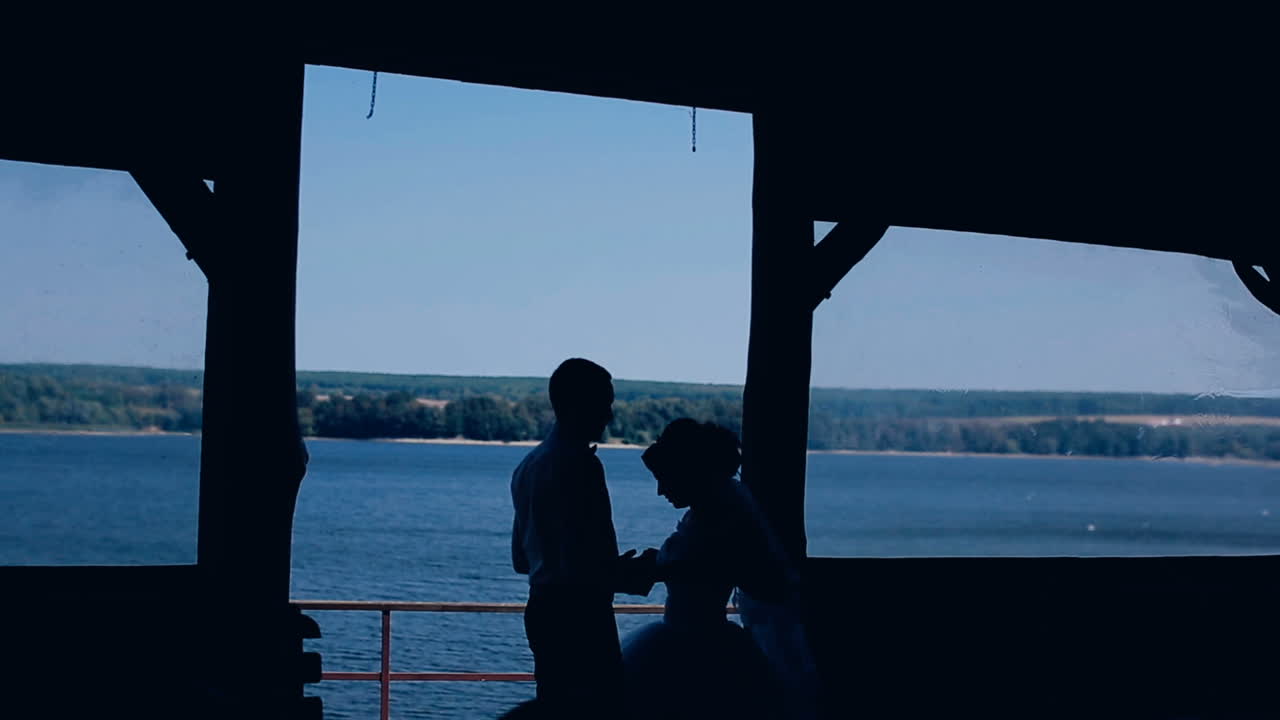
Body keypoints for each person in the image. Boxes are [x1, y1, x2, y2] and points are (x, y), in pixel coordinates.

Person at [621, 419, 814, 719]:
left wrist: (652, 570)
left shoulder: (718, 517)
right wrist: (660, 565)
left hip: (695, 645)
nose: (661, 491)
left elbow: (702, 566)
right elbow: (700, 563)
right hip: (694, 636)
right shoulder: (714, 509)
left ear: (689, 474)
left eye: (666, 479)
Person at [510, 358, 659, 717]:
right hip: (581, 617)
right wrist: (641, 571)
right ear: (576, 405)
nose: (609, 415)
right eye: (602, 404)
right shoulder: (580, 466)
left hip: (543, 611)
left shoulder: (528, 466)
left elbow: (521, 560)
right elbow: (590, 566)